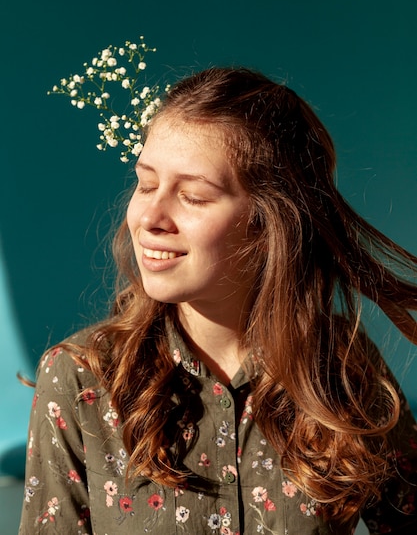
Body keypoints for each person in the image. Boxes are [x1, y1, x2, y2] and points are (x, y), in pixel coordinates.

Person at [19, 67, 417, 534]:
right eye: (146, 184)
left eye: (193, 196)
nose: (150, 216)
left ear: (270, 224)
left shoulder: (343, 371)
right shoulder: (79, 378)